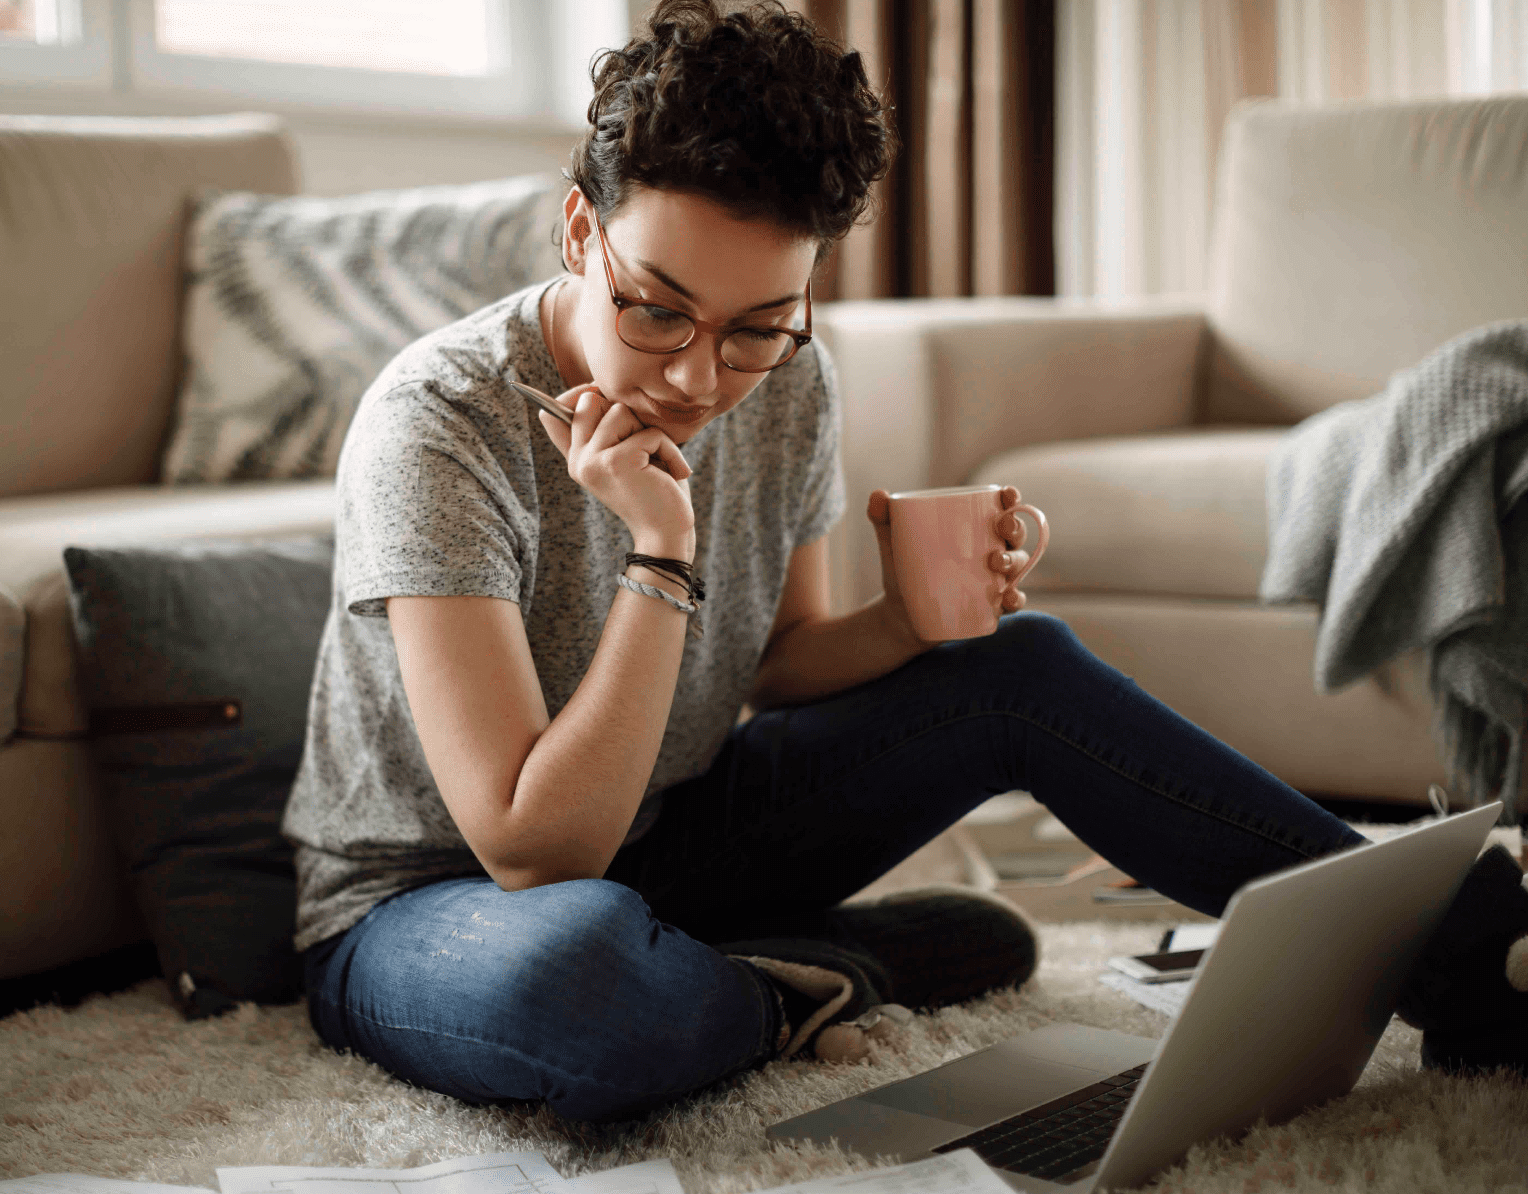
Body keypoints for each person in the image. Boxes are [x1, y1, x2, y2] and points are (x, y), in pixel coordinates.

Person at [284, 0, 1528, 1121]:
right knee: (582, 987)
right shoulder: (440, 422)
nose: (694, 377)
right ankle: (829, 970)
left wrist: (915, 624)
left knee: (1018, 665)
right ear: (577, 229)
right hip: (430, 903)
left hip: (674, 833)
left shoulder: (788, 384)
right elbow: (529, 849)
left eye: (758, 327)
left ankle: (1472, 950)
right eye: (654, 308)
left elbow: (776, 668)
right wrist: (660, 556)